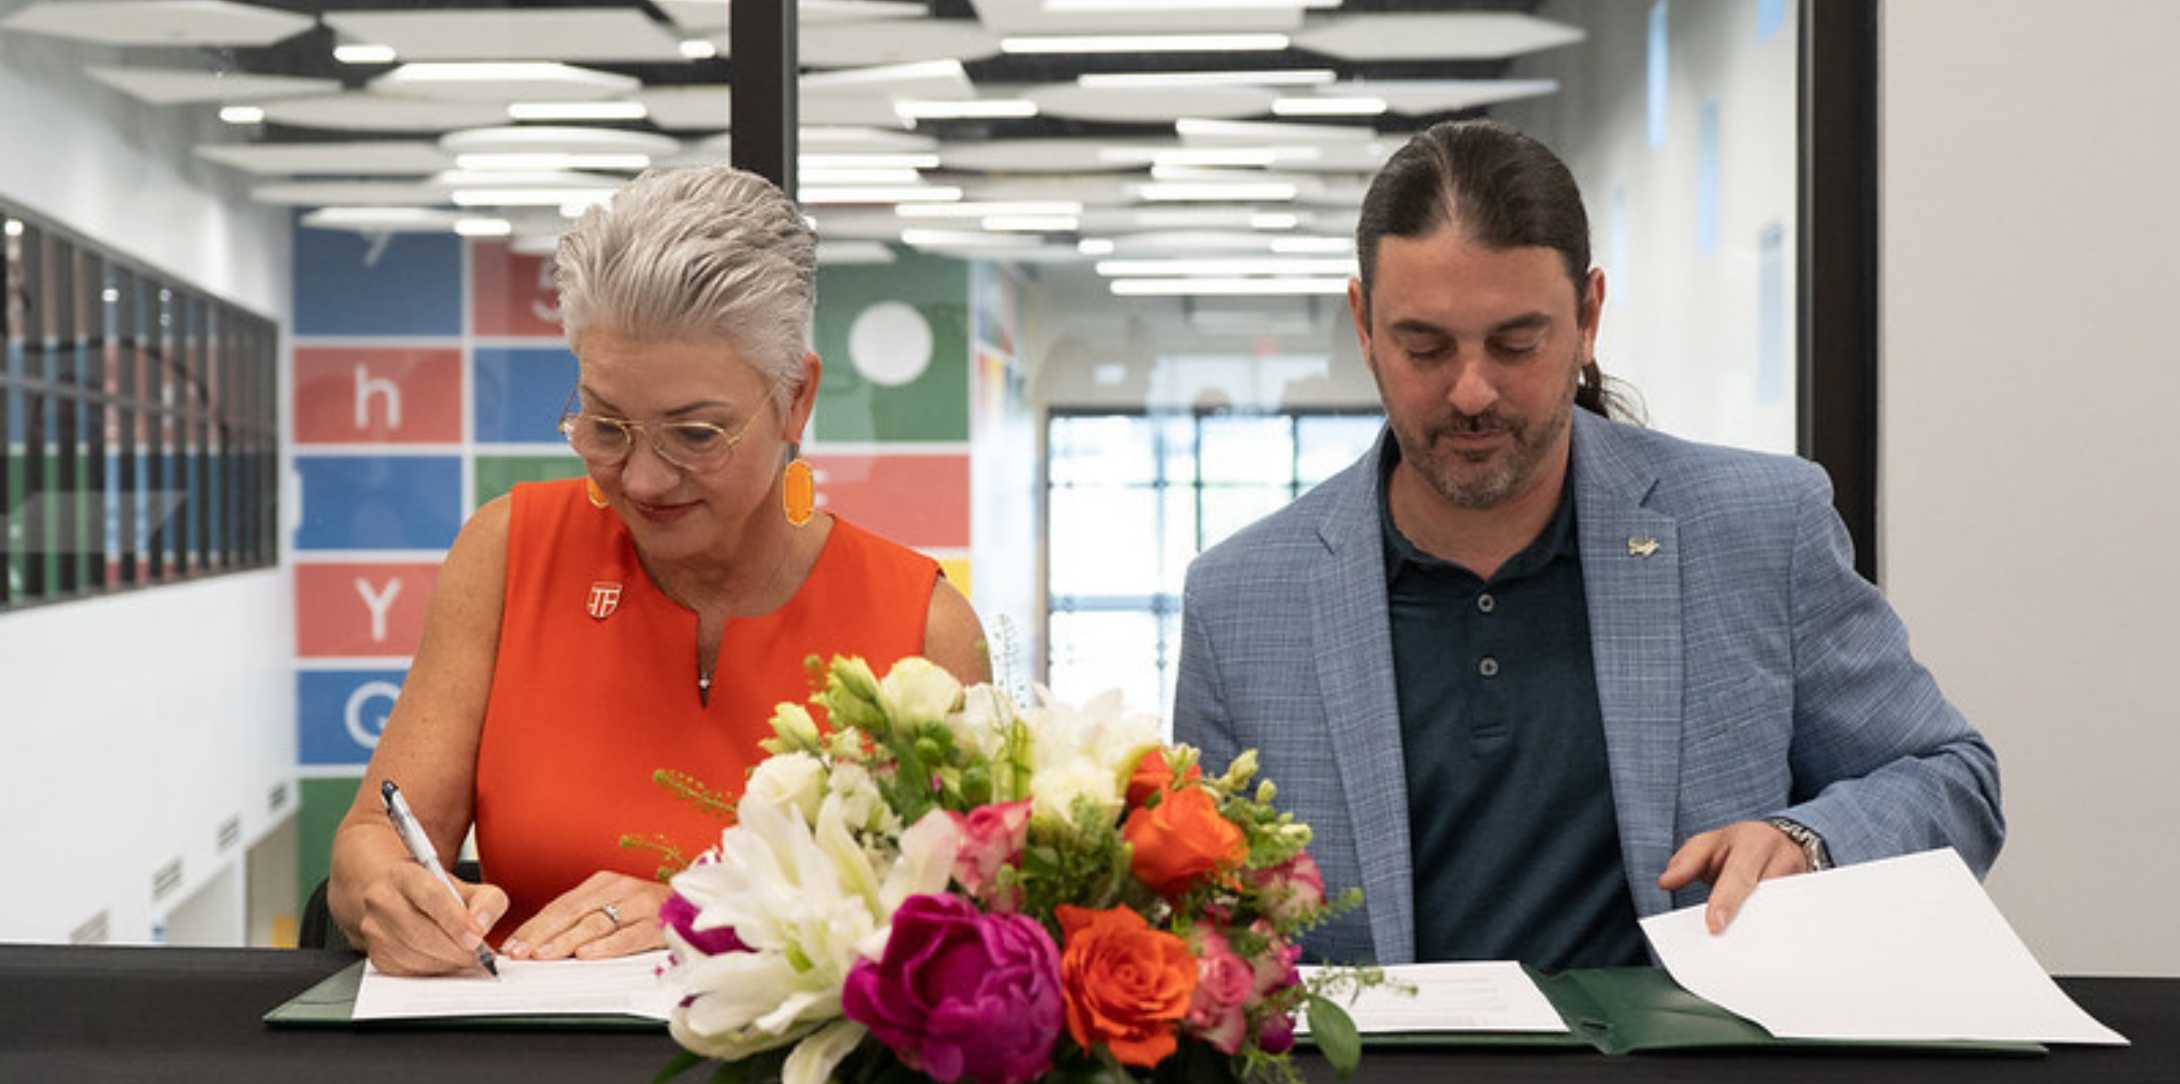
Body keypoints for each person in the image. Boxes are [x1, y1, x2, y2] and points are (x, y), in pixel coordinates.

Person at [1172, 121, 2002, 968]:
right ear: (1364, 325)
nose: (1470, 391)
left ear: (1589, 317)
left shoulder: (1758, 527)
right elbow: (1206, 937)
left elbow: (1953, 780)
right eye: (1424, 347)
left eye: (1516, 344)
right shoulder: (1239, 602)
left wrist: (1808, 840)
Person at [327, 165, 989, 975]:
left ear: (796, 400)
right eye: (605, 425)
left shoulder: (921, 626)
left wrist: (712, 913)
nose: (640, 478)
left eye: (695, 436)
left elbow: (961, 929)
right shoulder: (507, 554)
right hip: (517, 1069)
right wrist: (391, 898)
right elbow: (369, 844)